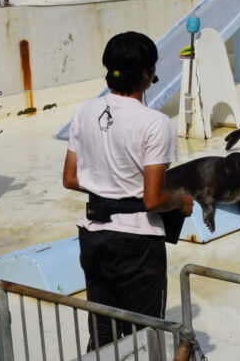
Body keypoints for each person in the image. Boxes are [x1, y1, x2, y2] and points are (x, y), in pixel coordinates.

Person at [62, 31, 194, 350]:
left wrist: (107, 187)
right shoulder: (154, 123)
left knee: (104, 331)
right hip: (136, 242)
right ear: (148, 74)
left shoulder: (83, 112)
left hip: (92, 233)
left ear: (109, 70)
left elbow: (70, 178)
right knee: (143, 334)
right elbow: (153, 199)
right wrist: (181, 202)